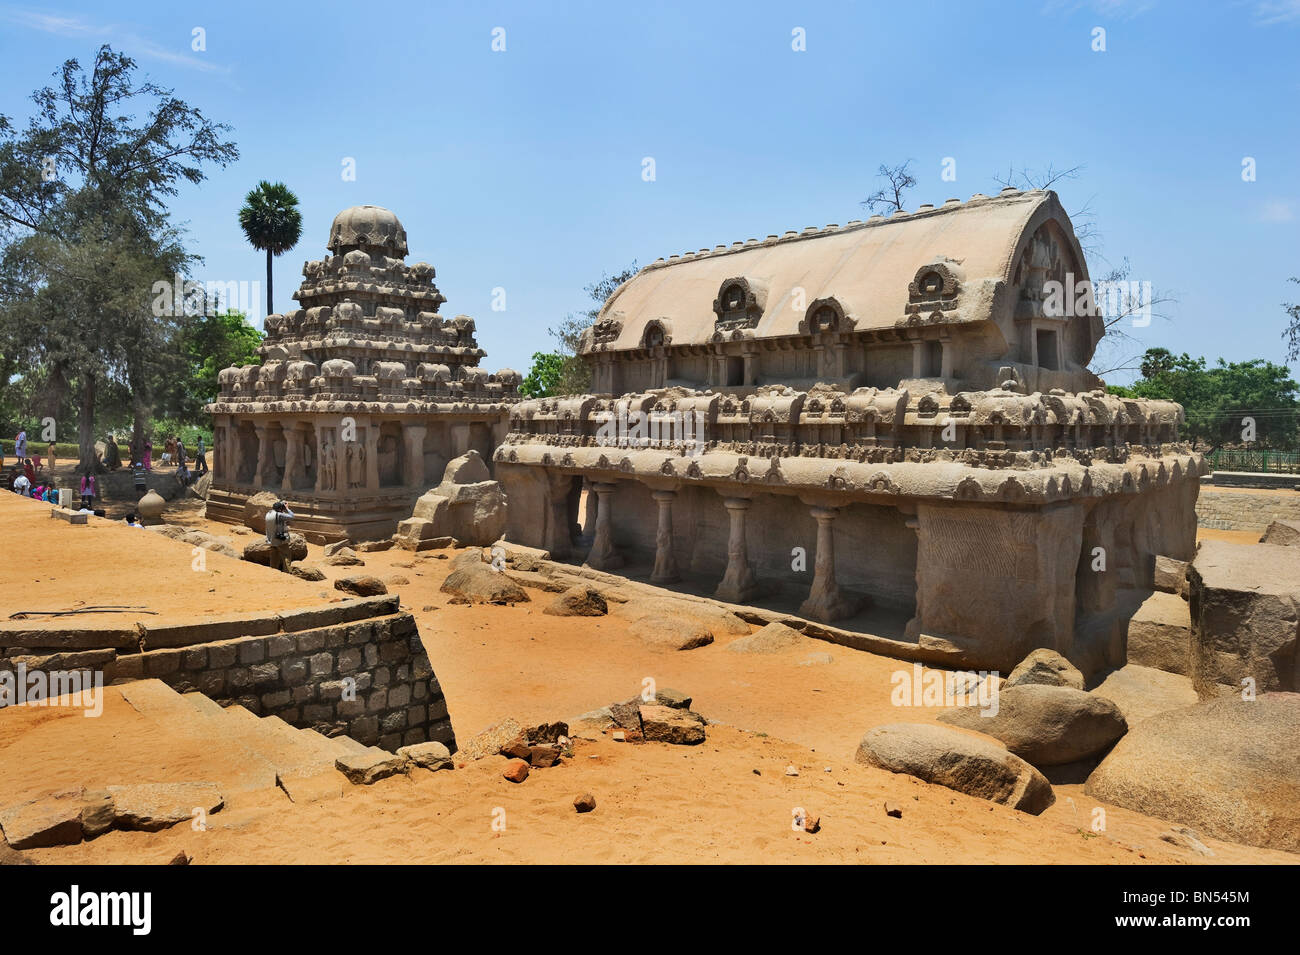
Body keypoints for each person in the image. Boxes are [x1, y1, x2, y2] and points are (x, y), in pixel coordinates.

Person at [265, 500, 295, 572]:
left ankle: (273, 571)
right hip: (279, 539)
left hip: (271, 539)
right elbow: (292, 516)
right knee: (286, 555)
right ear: (279, 509)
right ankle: (287, 572)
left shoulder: (268, 514)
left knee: (274, 557)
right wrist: (287, 508)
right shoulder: (279, 515)